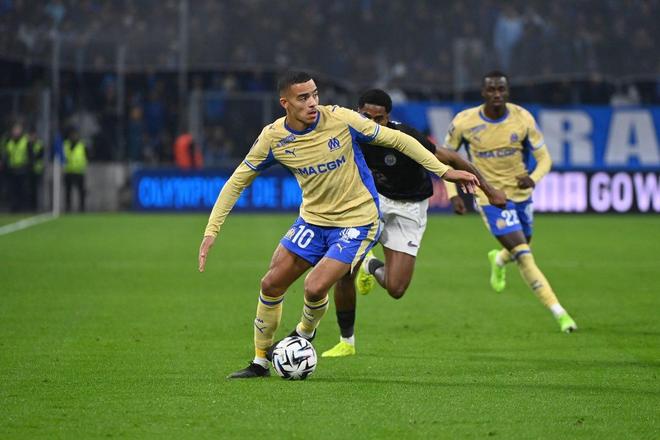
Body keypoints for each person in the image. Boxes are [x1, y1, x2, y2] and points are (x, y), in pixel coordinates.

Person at [197, 71, 481, 379]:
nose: (312, 102)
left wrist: (444, 172)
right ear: (285, 103)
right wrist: (211, 231)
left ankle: (304, 333)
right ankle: (260, 362)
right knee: (270, 284)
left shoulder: (341, 119)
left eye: (314, 94)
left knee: (314, 286)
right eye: (303, 97)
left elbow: (398, 139)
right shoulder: (273, 138)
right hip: (313, 220)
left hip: (358, 220)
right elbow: (237, 181)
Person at [322, 89, 507, 358]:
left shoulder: (406, 136)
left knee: (396, 288)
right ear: (357, 113)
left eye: (379, 118)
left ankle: (370, 265)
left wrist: (490, 191)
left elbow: (452, 159)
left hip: (410, 207)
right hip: (372, 202)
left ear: (388, 118)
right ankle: (346, 342)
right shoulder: (350, 135)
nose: (372, 123)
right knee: (343, 271)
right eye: (366, 116)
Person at [445, 71, 577, 333]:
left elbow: (545, 159)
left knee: (523, 243)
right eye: (491, 90)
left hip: (521, 196)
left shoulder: (522, 118)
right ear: (483, 93)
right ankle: (560, 314)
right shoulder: (464, 121)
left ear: (507, 92)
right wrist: (453, 194)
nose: (497, 94)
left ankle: (498, 260)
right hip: (490, 198)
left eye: (501, 89)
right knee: (524, 255)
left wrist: (533, 179)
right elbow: (445, 158)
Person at [63, 128, 88, 212]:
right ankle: (68, 207)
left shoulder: (82, 145)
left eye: (75, 134)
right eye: (72, 134)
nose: (73, 136)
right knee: (68, 191)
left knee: (81, 191)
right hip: (68, 171)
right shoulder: (66, 145)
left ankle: (82, 208)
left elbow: (86, 156)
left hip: (79, 172)